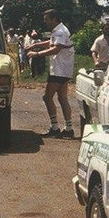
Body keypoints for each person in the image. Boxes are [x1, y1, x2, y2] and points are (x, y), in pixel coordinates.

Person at [28, 9, 75, 138]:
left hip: (60, 70)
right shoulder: (59, 30)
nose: (45, 22)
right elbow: (51, 43)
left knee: (47, 97)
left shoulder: (60, 31)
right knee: (62, 98)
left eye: (46, 19)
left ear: (53, 19)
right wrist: (35, 46)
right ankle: (68, 128)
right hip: (62, 69)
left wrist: (36, 54)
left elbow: (55, 49)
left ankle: (55, 127)